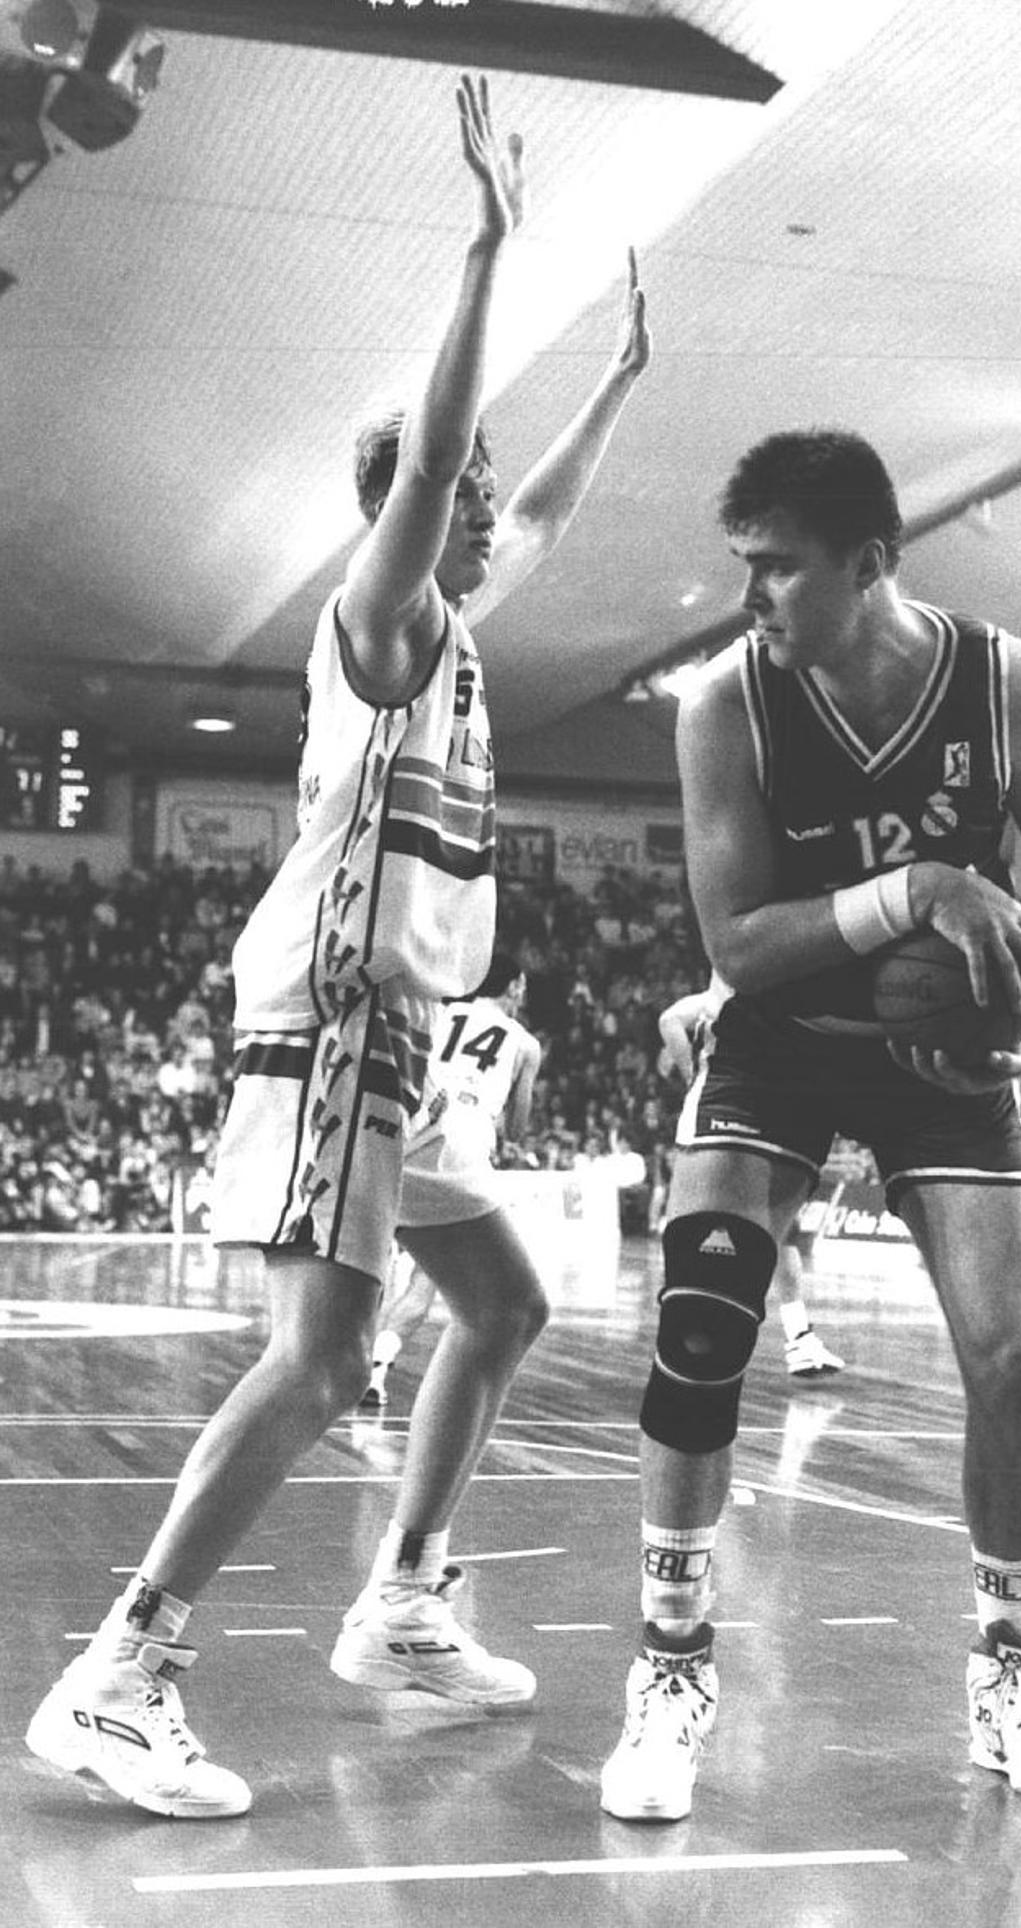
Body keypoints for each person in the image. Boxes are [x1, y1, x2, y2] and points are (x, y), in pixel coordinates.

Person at [27, 73, 651, 1821]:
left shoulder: (455, 628)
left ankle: (404, 1600)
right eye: (462, 493)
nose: (488, 512)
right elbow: (448, 469)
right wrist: (488, 251)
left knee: (504, 1299)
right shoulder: (377, 616)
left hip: (408, 1039)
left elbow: (535, 518)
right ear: (412, 507)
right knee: (317, 1362)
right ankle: (121, 1671)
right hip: (335, 1018)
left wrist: (616, 382)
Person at [599, 428, 1021, 1823]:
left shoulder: (1012, 685)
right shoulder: (727, 704)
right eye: (744, 565)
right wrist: (921, 888)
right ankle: (670, 1669)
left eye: (777, 567)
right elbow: (739, 945)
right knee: (703, 1329)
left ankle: (1011, 1675)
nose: (749, 595)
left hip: (941, 1056)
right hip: (779, 1037)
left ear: (871, 562)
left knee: (1014, 1356)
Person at [355, 949, 542, 1410]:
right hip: (459, 1148)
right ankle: (376, 1368)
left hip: (405, 1128)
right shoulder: (524, 1044)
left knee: (368, 1268)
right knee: (435, 1284)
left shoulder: (442, 1012)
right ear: (515, 986)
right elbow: (516, 1130)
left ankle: (353, 1359)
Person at [658, 973, 845, 1378]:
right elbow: (669, 1019)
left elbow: (669, 1020)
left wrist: (688, 1071)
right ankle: (784, 1338)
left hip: (762, 1108)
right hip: (730, 1109)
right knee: (726, 1254)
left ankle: (796, 1337)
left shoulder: (723, 999)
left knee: (774, 1240)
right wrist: (691, 1074)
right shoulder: (723, 998)